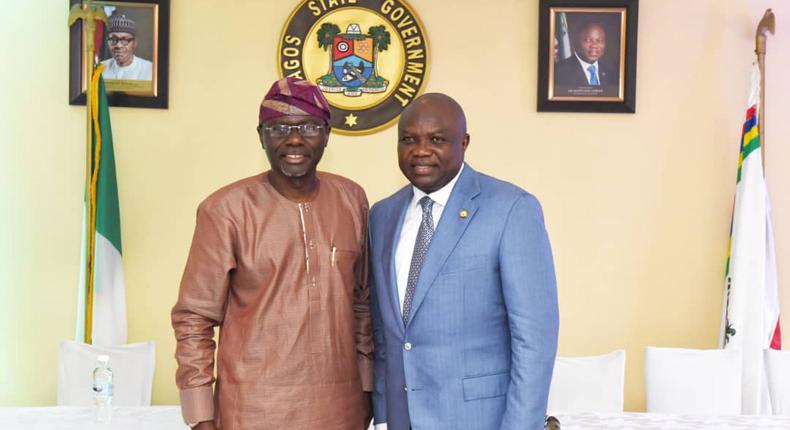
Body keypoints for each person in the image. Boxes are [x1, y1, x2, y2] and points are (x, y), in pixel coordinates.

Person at [172, 77, 373, 430]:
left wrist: (368, 388)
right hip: (252, 409)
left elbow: (363, 302)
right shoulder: (225, 210)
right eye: (279, 128)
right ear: (261, 135)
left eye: (309, 127)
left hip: (342, 408)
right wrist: (201, 413)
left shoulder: (351, 199)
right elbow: (194, 318)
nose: (294, 139)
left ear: (327, 134)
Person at [368, 93, 559, 430]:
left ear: (464, 142)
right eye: (408, 140)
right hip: (402, 419)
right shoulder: (382, 216)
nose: (421, 150)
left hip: (478, 420)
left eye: (437, 139)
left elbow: (534, 342)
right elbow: (386, 335)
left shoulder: (511, 209)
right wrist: (383, 416)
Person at [554, 21, 619, 95]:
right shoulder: (559, 71)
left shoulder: (612, 70)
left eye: (599, 41)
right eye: (588, 40)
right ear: (575, 42)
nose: (594, 45)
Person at [100, 13, 153, 80]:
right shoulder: (100, 69)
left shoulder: (150, 69)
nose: (118, 45)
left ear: (135, 43)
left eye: (125, 40)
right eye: (113, 40)